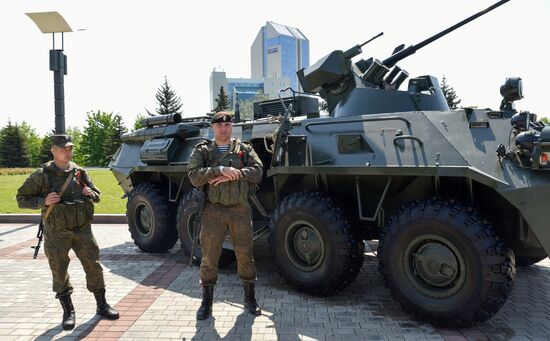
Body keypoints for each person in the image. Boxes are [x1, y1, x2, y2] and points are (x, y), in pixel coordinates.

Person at [16, 134, 119, 330]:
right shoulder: (42, 175)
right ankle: (68, 311)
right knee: (59, 270)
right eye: (64, 148)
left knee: (93, 266)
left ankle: (102, 305)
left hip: (82, 230)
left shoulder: (79, 172)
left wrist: (91, 194)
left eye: (70, 148)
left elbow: (97, 195)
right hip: (56, 232)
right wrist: (43, 201)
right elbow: (21, 199)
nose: (68, 151)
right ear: (53, 150)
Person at [187, 111, 263, 320]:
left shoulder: (244, 149)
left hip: (240, 210)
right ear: (213, 127)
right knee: (209, 258)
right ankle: (206, 303)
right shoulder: (203, 151)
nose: (224, 128)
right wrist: (219, 169)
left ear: (232, 127)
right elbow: (194, 177)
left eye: (228, 125)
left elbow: (258, 171)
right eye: (219, 125)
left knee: (245, 255)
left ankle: (250, 299)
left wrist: (236, 173)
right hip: (213, 211)